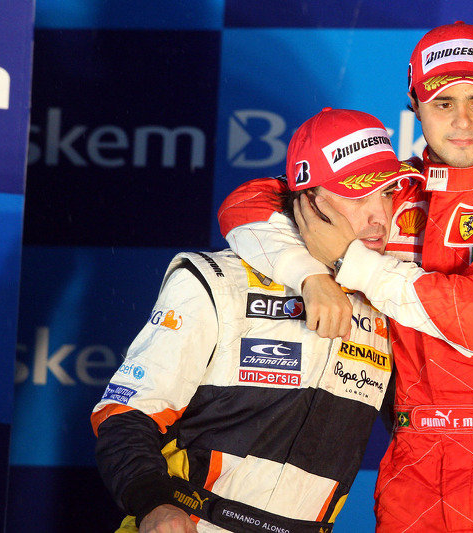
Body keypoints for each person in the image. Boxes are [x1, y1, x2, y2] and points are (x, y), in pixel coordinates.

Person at [217, 22, 473, 532]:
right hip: (411, 464)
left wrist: (351, 262)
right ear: (414, 103)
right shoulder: (390, 192)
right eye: (443, 103)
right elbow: (251, 202)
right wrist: (310, 275)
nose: (462, 121)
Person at [90, 108, 426, 533]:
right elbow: (125, 413)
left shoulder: (388, 304)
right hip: (190, 522)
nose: (381, 216)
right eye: (360, 197)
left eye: (390, 193)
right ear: (309, 200)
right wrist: (155, 506)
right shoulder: (217, 280)